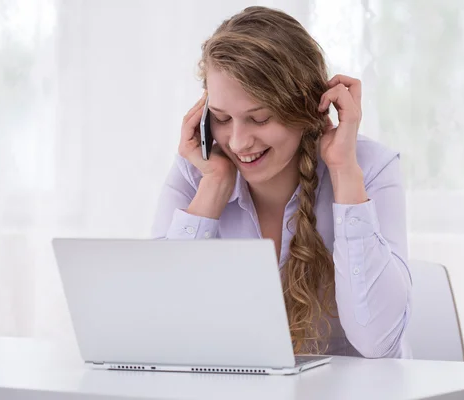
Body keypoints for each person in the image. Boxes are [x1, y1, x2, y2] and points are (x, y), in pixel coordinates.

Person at [152, 6, 412, 359]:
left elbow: (377, 342)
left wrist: (344, 172)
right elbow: (156, 329)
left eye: (259, 118)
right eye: (222, 118)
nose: (239, 141)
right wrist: (212, 188)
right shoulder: (197, 169)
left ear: (307, 108)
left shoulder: (371, 167)